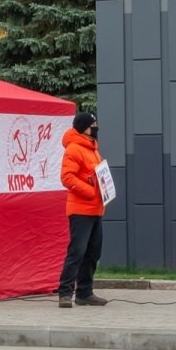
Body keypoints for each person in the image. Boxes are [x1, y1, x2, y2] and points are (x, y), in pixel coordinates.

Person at [57, 111, 108, 308]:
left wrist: (105, 191)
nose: (96, 128)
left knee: (93, 253)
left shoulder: (92, 148)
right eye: (92, 125)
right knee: (77, 252)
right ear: (83, 128)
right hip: (80, 209)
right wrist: (91, 192)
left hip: (96, 209)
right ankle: (65, 293)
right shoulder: (74, 149)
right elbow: (67, 177)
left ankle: (85, 293)